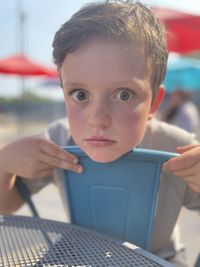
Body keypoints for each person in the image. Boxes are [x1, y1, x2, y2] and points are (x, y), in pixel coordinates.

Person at [0, 1, 199, 266]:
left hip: (160, 257)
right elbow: (9, 204)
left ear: (153, 102)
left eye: (123, 95)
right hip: (81, 253)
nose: (98, 120)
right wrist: (4, 165)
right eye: (79, 95)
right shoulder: (58, 140)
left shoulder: (177, 147)